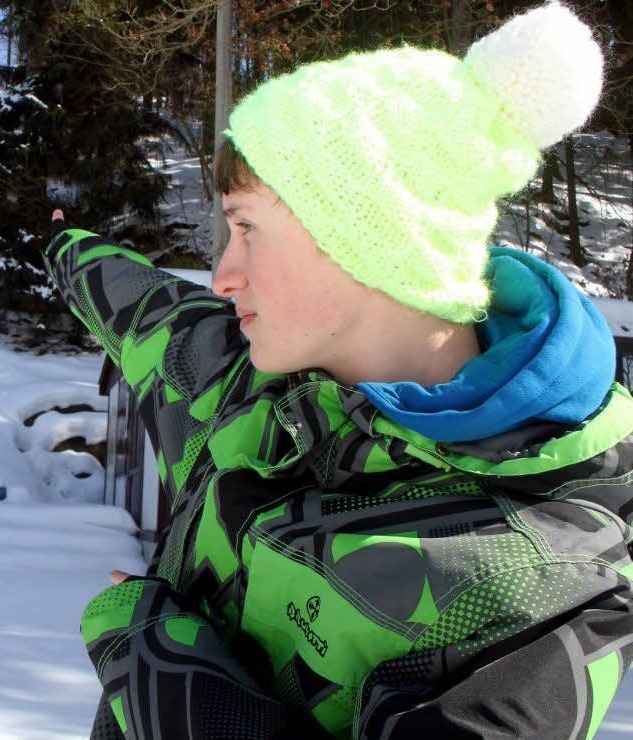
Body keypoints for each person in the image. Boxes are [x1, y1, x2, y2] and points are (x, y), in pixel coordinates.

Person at [44, 3, 633, 737]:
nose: (222, 276)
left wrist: (158, 670)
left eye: (246, 227)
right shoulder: (247, 390)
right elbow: (140, 306)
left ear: (366, 243)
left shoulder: (537, 580)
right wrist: (64, 246)